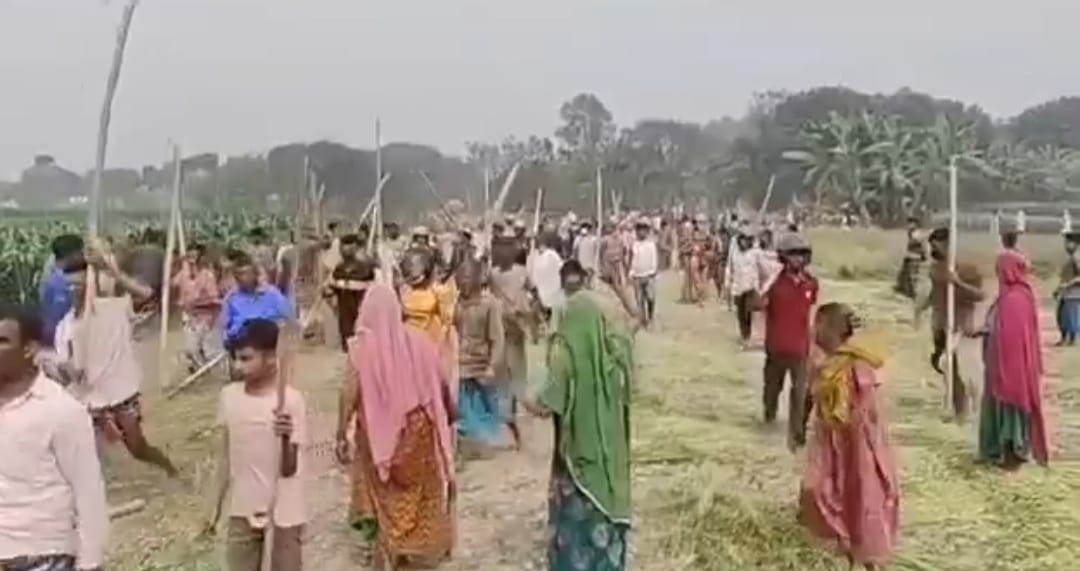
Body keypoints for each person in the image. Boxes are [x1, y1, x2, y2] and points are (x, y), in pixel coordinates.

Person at [335, 284, 454, 569]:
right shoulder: (420, 341)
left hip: (377, 441)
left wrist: (340, 433)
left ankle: (388, 548)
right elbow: (440, 383)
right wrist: (448, 415)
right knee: (420, 492)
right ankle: (415, 549)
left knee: (381, 493)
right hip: (419, 433)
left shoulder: (360, 350)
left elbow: (349, 393)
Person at [525, 260, 633, 571]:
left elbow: (547, 404)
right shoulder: (614, 357)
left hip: (578, 457)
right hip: (611, 460)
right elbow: (633, 324)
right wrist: (618, 287)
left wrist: (524, 397)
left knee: (577, 526)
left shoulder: (565, 353)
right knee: (607, 517)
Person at [0, 305, 110, 571]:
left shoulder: (61, 410)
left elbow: (88, 491)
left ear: (29, 349)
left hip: (43, 557)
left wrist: (90, 562)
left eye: (2, 341)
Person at [55, 245, 180, 477]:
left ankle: (167, 467)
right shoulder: (65, 327)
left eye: (79, 285)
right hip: (90, 401)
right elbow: (67, 370)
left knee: (137, 448)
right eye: (69, 286)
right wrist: (68, 371)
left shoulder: (113, 308)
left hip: (121, 392)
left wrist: (112, 271)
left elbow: (146, 294)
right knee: (85, 453)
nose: (74, 291)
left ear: (89, 284)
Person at [800, 303, 898, 570]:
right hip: (831, 443)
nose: (813, 331)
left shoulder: (859, 364)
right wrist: (801, 424)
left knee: (861, 496)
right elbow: (811, 395)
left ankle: (867, 556)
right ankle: (843, 547)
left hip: (857, 443)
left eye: (818, 325)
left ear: (832, 329)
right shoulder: (821, 362)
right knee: (821, 491)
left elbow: (869, 408)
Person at [206, 319, 308, 571]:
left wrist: (286, 436)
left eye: (246, 358)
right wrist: (213, 507)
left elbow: (289, 469)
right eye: (235, 358)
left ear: (272, 358)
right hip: (243, 507)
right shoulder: (229, 397)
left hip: (284, 512)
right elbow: (223, 457)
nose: (238, 366)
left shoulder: (290, 402)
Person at [977, 233, 1050, 469]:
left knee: (1010, 404)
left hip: (1011, 365)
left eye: (1000, 270)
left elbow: (1012, 336)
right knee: (1002, 404)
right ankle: (1001, 447)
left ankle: (1012, 450)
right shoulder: (1013, 296)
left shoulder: (1015, 299)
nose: (998, 274)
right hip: (1003, 362)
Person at [916, 228, 985, 421]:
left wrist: (958, 283)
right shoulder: (935, 268)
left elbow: (980, 295)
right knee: (947, 369)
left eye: (936, 246)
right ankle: (956, 407)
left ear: (948, 244)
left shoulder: (966, 267)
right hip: (940, 325)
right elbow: (936, 293)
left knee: (953, 366)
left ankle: (964, 409)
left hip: (959, 326)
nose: (933, 250)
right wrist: (920, 309)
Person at [759, 233, 818, 449]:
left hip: (800, 348)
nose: (797, 259)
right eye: (792, 255)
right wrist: (764, 286)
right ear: (783, 257)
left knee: (800, 393)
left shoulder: (811, 284)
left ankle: (797, 433)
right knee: (772, 388)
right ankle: (769, 416)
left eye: (801, 255)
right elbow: (757, 304)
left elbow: (810, 311)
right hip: (776, 346)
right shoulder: (774, 283)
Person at [454, 261, 507, 456]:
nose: (463, 283)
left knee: (486, 405)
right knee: (464, 408)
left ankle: (488, 441)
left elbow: (497, 338)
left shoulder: (489, 304)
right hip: (461, 364)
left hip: (482, 363)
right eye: (460, 279)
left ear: (478, 279)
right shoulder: (455, 303)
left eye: (467, 278)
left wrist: (492, 366)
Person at [172, 243, 222, 373]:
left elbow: (214, 300)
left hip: (205, 318)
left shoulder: (208, 276)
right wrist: (176, 263)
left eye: (194, 257)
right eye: (189, 257)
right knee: (191, 349)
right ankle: (201, 371)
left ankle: (204, 371)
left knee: (197, 348)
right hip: (188, 318)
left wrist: (195, 304)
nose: (192, 261)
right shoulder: (182, 274)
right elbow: (170, 285)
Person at [220, 255, 292, 346]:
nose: (240, 277)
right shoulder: (231, 298)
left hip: (269, 342)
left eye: (244, 273)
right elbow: (224, 328)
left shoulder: (272, 294)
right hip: (241, 343)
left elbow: (287, 317)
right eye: (238, 274)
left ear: (255, 274)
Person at [325, 234, 376, 352]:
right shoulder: (339, 267)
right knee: (347, 333)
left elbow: (370, 284)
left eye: (348, 246)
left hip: (360, 307)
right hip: (344, 308)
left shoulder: (366, 266)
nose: (345, 249)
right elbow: (333, 285)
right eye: (343, 246)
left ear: (355, 247)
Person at [39, 234, 85, 348]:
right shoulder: (58, 282)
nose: (83, 256)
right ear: (73, 254)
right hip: (58, 338)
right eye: (81, 253)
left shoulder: (53, 274)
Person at [727, 230, 762, 346]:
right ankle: (744, 334)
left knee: (749, 312)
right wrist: (728, 281)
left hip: (751, 287)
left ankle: (750, 334)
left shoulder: (755, 252)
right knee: (740, 313)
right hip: (738, 286)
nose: (744, 242)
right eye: (742, 240)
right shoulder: (734, 251)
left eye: (747, 240)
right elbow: (730, 266)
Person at [530, 232, 566, 324]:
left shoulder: (551, 254)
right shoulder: (536, 255)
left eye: (540, 244)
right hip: (543, 286)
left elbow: (561, 267)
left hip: (551, 285)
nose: (539, 247)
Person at [629, 221, 659, 326]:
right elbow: (632, 259)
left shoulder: (651, 245)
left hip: (649, 275)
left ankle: (650, 316)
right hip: (637, 276)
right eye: (639, 230)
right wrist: (631, 272)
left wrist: (653, 271)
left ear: (647, 231)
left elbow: (654, 258)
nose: (641, 232)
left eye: (643, 230)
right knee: (639, 299)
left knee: (650, 298)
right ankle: (642, 320)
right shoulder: (634, 245)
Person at [1054, 234, 1080, 346]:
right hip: (1065, 293)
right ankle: (1064, 338)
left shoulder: (1076, 259)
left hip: (1073, 293)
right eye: (1066, 242)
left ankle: (1071, 339)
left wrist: (1067, 285)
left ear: (1076, 244)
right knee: (1061, 316)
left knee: (1070, 317)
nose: (1067, 245)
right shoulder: (1070, 259)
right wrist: (1058, 289)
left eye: (1069, 242)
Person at [894, 217, 925, 300]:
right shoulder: (911, 233)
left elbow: (920, 245)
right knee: (904, 274)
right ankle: (906, 291)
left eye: (911, 223)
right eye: (909, 223)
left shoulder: (917, 234)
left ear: (916, 224)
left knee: (912, 276)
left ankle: (913, 294)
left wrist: (923, 255)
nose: (909, 225)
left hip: (914, 257)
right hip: (910, 256)